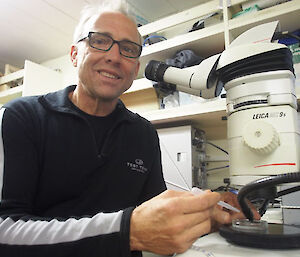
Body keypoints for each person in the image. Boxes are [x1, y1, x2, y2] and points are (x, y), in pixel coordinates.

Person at [0, 1, 259, 256]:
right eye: (99, 40)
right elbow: (5, 230)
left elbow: (156, 220)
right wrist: (128, 231)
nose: (114, 56)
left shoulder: (143, 133)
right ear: (74, 54)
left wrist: (209, 212)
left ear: (135, 69)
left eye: (128, 49)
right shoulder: (22, 116)